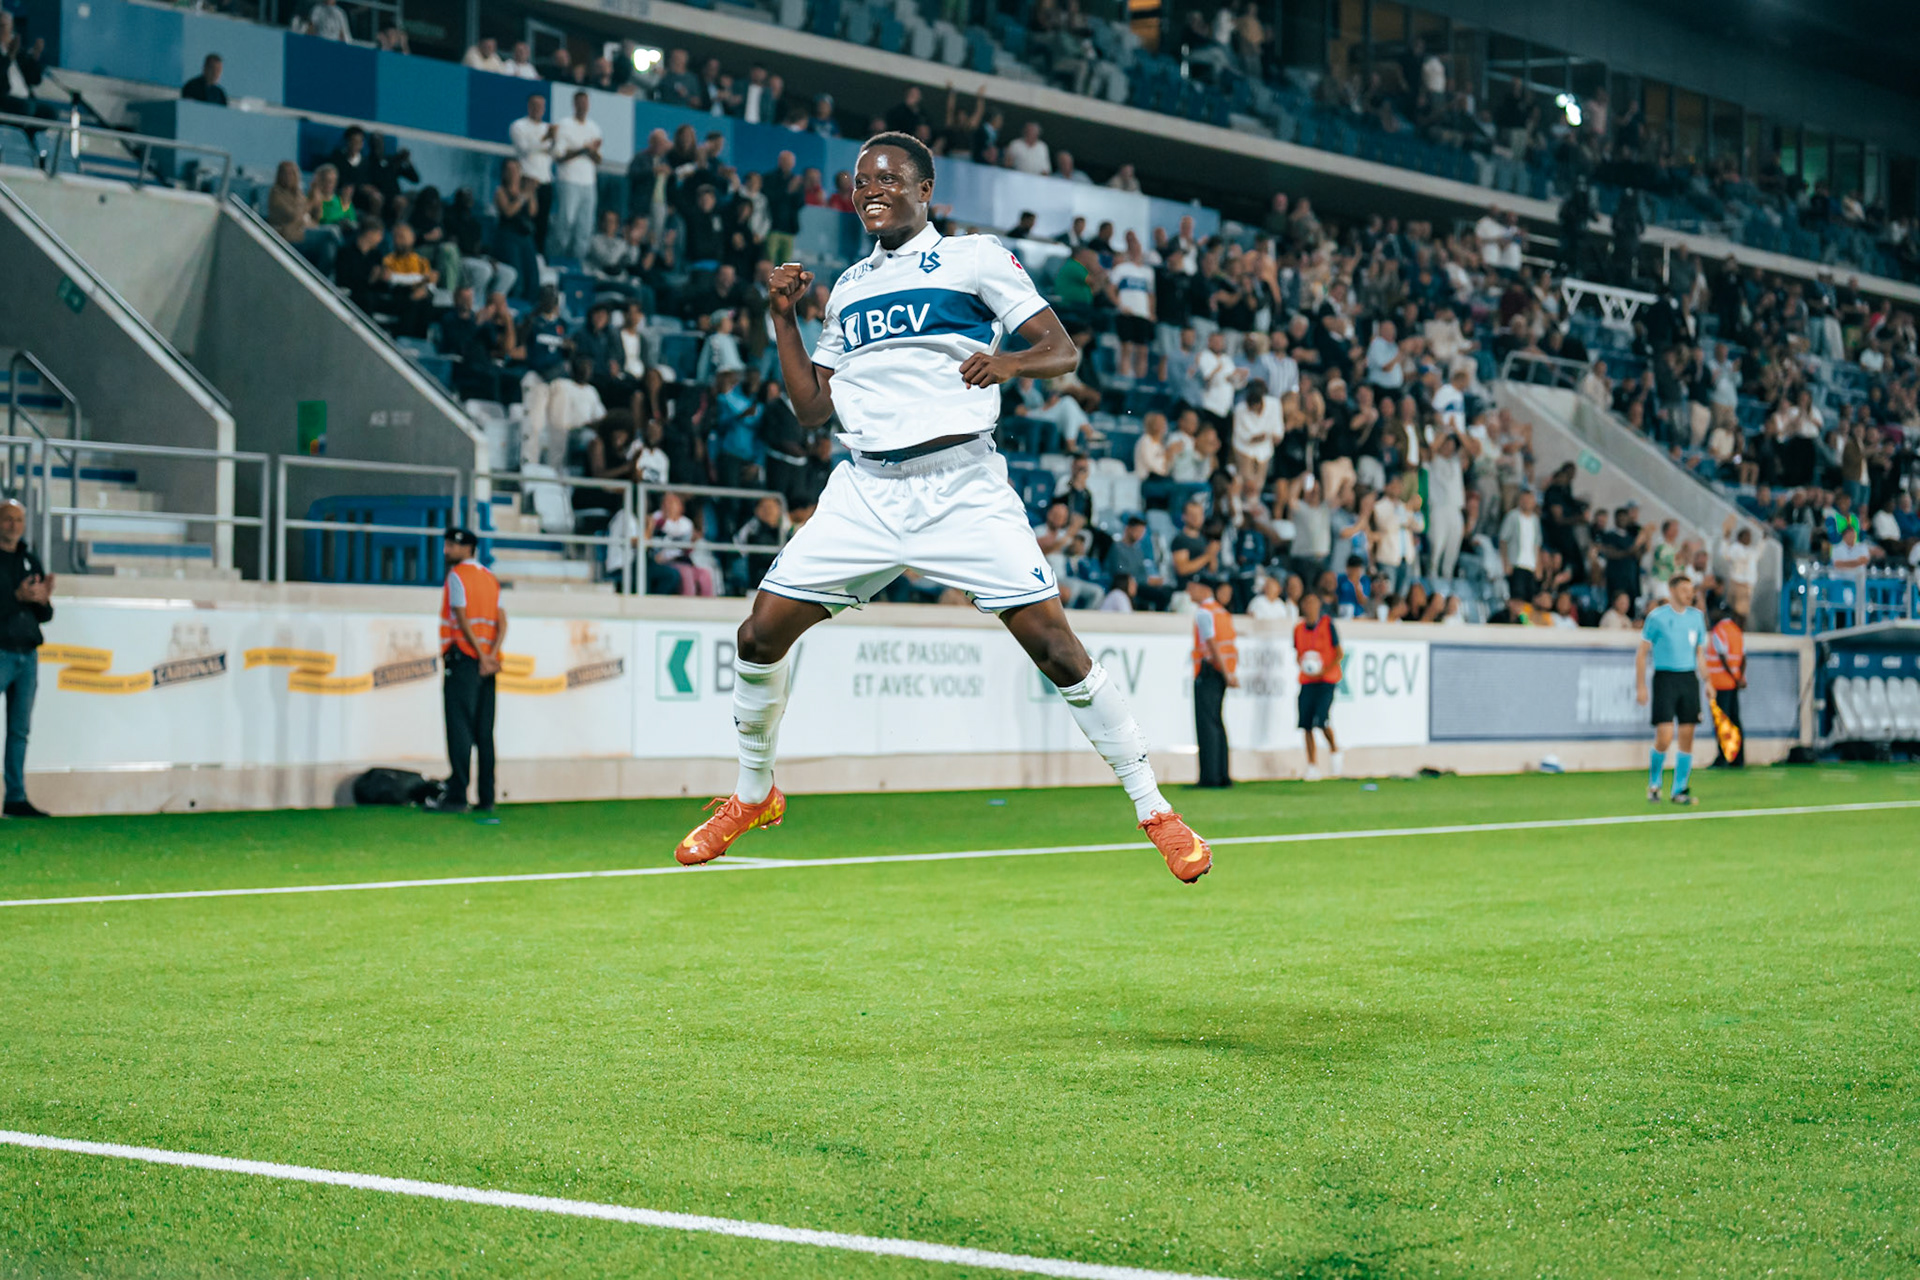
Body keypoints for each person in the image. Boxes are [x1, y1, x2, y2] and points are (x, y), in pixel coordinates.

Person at [672, 131, 1211, 882]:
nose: (872, 189)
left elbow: (1062, 351)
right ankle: (753, 795)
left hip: (961, 486)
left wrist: (1009, 362)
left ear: (926, 191)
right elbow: (809, 409)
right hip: (865, 490)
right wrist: (783, 316)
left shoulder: (976, 257)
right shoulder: (851, 287)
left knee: (1057, 649)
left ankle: (1156, 808)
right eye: (861, 181)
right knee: (759, 635)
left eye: (889, 177)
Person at [427, 528, 504, 814]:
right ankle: (487, 797)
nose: (446, 549)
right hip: (488, 665)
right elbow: (502, 621)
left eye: (451, 545)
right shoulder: (490, 578)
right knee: (485, 732)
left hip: (464, 661)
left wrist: (481, 656)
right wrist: (492, 656)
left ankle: (457, 795)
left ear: (467, 547)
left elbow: (461, 618)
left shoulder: (458, 576)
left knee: (459, 728)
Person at [1636, 574, 1708, 806]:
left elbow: (1700, 654)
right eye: (1685, 589)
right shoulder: (1657, 618)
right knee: (1664, 736)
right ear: (1672, 590)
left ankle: (1679, 790)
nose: (1690, 593)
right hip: (1665, 678)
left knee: (1687, 736)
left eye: (1691, 589)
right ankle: (1654, 783)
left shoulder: (1697, 618)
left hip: (1688, 679)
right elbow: (1642, 653)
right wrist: (1641, 686)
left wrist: (1709, 682)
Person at [0, 500, 51, 817]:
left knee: (20, 730)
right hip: (1, 650)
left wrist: (42, 600)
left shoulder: (30, 560)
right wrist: (15, 598)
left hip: (27, 655)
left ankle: (15, 796)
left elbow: (44, 614)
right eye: (7, 518)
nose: (14, 525)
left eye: (18, 519)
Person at [1188, 576, 1237, 788]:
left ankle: (1210, 777)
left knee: (1207, 724)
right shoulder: (1222, 612)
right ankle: (1222, 775)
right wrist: (1228, 673)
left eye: (1192, 587)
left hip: (1209, 671)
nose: (1189, 592)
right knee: (1217, 722)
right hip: (1221, 672)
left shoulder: (1204, 612)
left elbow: (1212, 643)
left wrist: (1225, 673)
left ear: (1203, 589)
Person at [1293, 588, 1341, 780]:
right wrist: (1305, 665)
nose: (1310, 606)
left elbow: (1339, 653)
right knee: (1306, 724)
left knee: (1322, 719)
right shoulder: (1298, 629)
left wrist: (1323, 669)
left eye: (1314, 602)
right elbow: (1298, 654)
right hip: (1307, 681)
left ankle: (1335, 751)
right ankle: (1312, 765)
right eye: (1307, 602)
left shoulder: (1328, 625)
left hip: (1327, 679)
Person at [549, 91, 603, 261]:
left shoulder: (594, 128)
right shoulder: (564, 125)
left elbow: (597, 159)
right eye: (580, 102)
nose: (583, 106)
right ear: (574, 104)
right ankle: (555, 259)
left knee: (585, 227)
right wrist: (583, 149)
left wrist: (591, 152)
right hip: (568, 179)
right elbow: (559, 156)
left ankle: (577, 263)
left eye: (586, 103)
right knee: (565, 223)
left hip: (588, 182)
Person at [1705, 607, 1746, 768]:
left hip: (1721, 683)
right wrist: (1739, 677)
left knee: (1723, 722)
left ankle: (1724, 757)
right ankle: (1738, 759)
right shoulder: (1737, 631)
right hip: (1733, 683)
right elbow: (1743, 658)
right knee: (1735, 721)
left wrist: (1733, 677)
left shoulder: (1719, 631)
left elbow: (1722, 657)